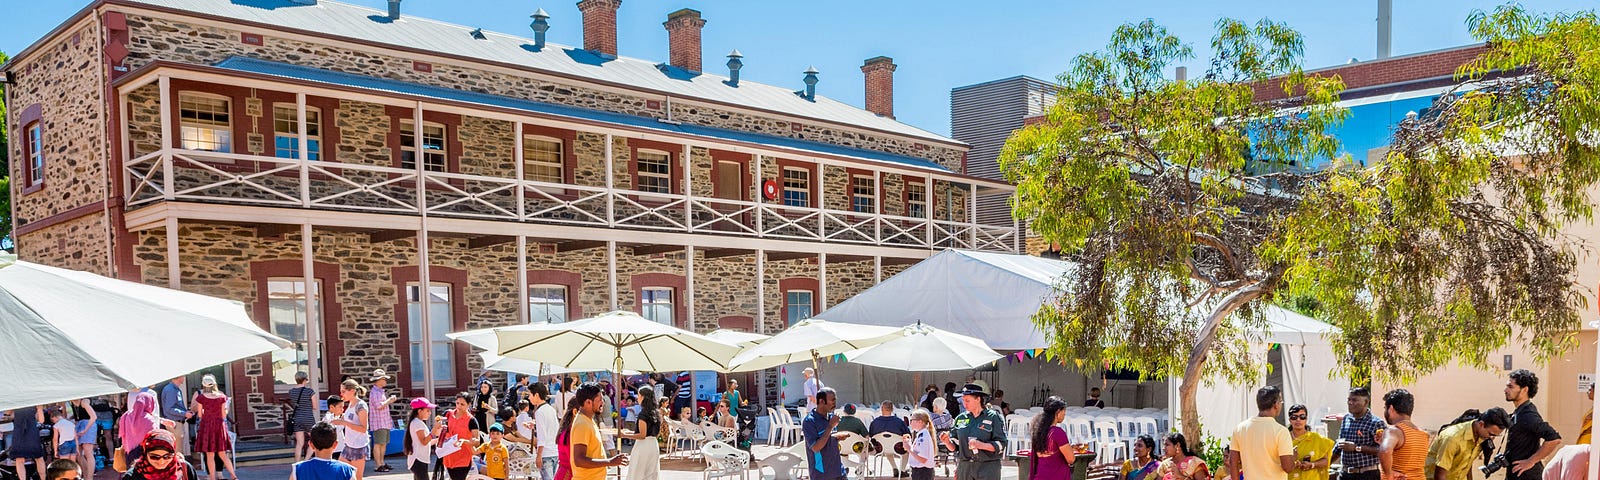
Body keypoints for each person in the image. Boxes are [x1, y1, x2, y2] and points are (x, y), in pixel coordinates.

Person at [1503, 369, 1562, 480]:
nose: (1506, 390)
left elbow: (1554, 439)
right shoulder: (1520, 411)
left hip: (1527, 476)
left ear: (1525, 390)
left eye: (1510, 387)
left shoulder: (1528, 414)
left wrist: (1531, 461)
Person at [940, 383, 1007, 480]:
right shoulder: (960, 418)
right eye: (963, 400)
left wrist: (981, 445)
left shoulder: (993, 417)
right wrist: (946, 441)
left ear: (978, 399)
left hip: (987, 468)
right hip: (965, 468)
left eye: (968, 401)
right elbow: (955, 447)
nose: (964, 404)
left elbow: (1001, 444)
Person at [1228, 386, 1294, 480]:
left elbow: (1232, 462)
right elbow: (1288, 467)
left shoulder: (1240, 429)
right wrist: (1294, 457)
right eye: (1281, 402)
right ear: (1276, 404)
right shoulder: (1281, 431)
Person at [1424, 407, 1509, 480]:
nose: (1492, 438)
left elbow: (1467, 464)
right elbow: (1439, 476)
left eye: (1495, 436)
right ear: (1481, 424)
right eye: (1491, 434)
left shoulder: (1481, 436)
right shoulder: (1453, 438)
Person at [567, 383, 627, 480]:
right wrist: (609, 462)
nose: (603, 403)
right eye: (599, 400)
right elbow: (579, 460)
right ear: (588, 402)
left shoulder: (588, 420)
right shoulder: (582, 424)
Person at [191, 375, 238, 480]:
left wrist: (207, 413)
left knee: (210, 455)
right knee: (222, 454)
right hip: (219, 426)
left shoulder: (201, 397)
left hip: (207, 426)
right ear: (214, 383)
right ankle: (233, 476)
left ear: (203, 384)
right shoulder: (221, 397)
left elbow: (200, 415)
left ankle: (212, 478)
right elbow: (223, 415)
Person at [1335, 387, 1387, 480]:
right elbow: (1339, 446)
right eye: (1349, 400)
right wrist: (1324, 463)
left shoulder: (1376, 423)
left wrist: (1356, 448)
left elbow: (1383, 450)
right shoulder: (1346, 419)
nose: (1350, 403)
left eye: (1354, 400)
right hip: (1345, 474)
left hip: (1367, 474)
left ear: (1366, 402)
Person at [1378, 389, 1428, 480]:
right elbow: (1406, 454)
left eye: (1385, 408)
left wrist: (1389, 474)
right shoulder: (1423, 434)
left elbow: (1385, 451)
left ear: (1391, 409)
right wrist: (1382, 443)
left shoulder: (1393, 431)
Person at [803, 387, 849, 480]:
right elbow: (816, 447)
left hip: (838, 471)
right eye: (832, 400)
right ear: (821, 401)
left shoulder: (831, 417)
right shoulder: (810, 421)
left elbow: (827, 438)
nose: (834, 404)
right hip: (822, 474)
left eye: (835, 400)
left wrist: (837, 437)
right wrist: (830, 426)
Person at [120, 391, 175, 464]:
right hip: (145, 454)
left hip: (129, 452)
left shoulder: (126, 416)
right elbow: (154, 436)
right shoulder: (148, 419)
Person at [619, 386, 661, 480]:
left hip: (643, 446)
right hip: (653, 444)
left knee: (638, 473)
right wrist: (630, 433)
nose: (637, 398)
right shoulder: (656, 412)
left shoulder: (643, 414)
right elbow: (650, 432)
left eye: (638, 395)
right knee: (651, 473)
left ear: (643, 397)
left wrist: (624, 435)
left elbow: (642, 435)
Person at [121, 429, 197, 480]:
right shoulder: (132, 477)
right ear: (145, 453)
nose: (161, 461)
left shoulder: (184, 468)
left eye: (167, 456)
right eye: (154, 457)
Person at [1028, 397, 1074, 480]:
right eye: (1064, 411)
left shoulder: (1038, 431)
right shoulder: (1057, 432)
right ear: (1058, 411)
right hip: (1056, 476)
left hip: (1040, 475)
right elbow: (1071, 459)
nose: (1064, 414)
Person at [333, 380, 371, 478]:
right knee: (340, 473)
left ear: (352, 391)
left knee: (357, 477)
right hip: (349, 445)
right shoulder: (350, 404)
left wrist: (344, 422)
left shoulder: (361, 406)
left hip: (359, 446)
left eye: (343, 391)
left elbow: (363, 428)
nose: (341, 394)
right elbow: (351, 420)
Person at [440, 393, 483, 480]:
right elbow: (441, 432)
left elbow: (477, 441)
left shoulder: (471, 420)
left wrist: (464, 441)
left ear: (469, 405)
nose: (459, 406)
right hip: (448, 456)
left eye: (462, 404)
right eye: (457, 403)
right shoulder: (448, 414)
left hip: (463, 458)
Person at [1285, 404, 1333, 480]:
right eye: (1294, 417)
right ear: (1290, 420)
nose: (1298, 420)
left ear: (1306, 419)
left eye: (1302, 417)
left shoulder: (1316, 438)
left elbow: (1326, 461)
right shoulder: (1283, 439)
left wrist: (1312, 464)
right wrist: (1292, 461)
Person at [403, 397, 443, 480]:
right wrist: (434, 429)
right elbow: (424, 441)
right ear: (419, 411)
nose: (430, 413)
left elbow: (426, 442)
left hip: (420, 460)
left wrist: (438, 440)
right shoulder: (417, 423)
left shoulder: (418, 422)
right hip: (418, 460)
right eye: (427, 410)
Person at [368, 369, 399, 473]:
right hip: (379, 422)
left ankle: (382, 463)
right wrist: (389, 400)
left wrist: (389, 401)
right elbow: (378, 406)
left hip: (384, 422)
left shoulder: (380, 391)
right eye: (384, 379)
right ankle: (378, 465)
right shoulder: (375, 392)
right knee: (378, 444)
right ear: (379, 380)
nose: (386, 381)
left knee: (383, 443)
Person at [870, 401, 912, 476]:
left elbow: (871, 435)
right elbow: (908, 435)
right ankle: (902, 470)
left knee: (887, 447)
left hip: (882, 448)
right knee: (907, 450)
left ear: (881, 408)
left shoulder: (874, 422)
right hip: (898, 448)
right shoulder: (899, 422)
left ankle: (894, 467)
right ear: (892, 409)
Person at [529, 384, 560, 480]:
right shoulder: (551, 409)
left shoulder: (539, 412)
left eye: (530, 394)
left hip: (546, 453)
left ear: (536, 395)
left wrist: (539, 456)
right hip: (555, 451)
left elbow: (542, 437)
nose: (529, 397)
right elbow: (553, 428)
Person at [287, 371, 319, 462]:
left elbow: (293, 404)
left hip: (297, 418)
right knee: (315, 441)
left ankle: (297, 464)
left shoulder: (291, 392)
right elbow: (315, 406)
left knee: (299, 444)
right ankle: (306, 460)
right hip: (308, 417)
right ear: (305, 380)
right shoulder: (310, 391)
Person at [159, 377, 192, 459]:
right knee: (177, 452)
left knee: (177, 451)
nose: (184, 377)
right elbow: (169, 408)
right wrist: (184, 413)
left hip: (176, 423)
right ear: (178, 377)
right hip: (174, 423)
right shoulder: (171, 390)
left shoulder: (175, 389)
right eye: (183, 376)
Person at [72, 398, 99, 480]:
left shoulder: (84, 401)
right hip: (78, 425)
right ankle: (86, 475)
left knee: (88, 452)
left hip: (88, 424)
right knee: (78, 453)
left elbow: (93, 417)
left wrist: (85, 430)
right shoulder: (71, 402)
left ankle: (90, 477)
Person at [907, 409, 937, 480]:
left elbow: (923, 459)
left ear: (920, 421)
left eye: (912, 420)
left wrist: (909, 449)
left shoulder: (924, 436)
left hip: (923, 472)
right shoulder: (921, 434)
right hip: (919, 472)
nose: (910, 423)